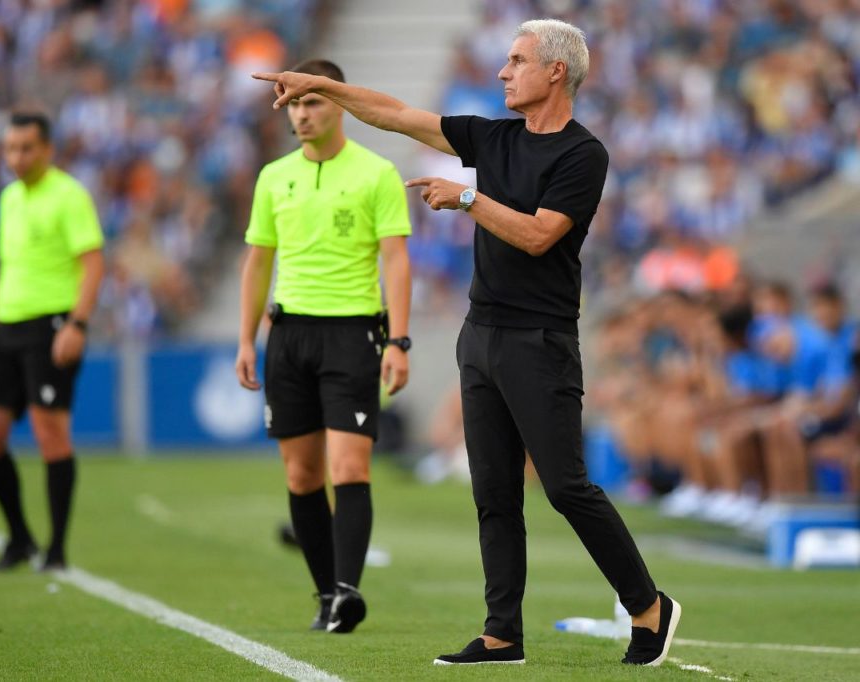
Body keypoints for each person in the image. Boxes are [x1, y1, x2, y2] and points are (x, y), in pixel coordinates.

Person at [254, 19, 681, 665]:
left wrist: (467, 197)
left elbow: (540, 235)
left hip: (540, 339)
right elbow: (396, 114)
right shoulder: (493, 135)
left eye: (516, 61)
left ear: (555, 71)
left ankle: (649, 606)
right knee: (493, 493)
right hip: (480, 333)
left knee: (565, 487)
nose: (504, 72)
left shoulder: (581, 153)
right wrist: (323, 85)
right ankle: (502, 632)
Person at [235, 59, 412, 634]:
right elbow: (258, 261)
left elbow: (397, 260)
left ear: (337, 102)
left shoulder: (377, 173)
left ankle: (347, 591)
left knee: (349, 467)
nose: (302, 113)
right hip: (288, 337)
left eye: (312, 101)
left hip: (353, 333)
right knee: (302, 477)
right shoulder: (273, 177)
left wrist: (400, 340)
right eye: (293, 103)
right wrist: (245, 339)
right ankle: (325, 594)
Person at [0, 111, 105, 573]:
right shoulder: (8, 199)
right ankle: (20, 538)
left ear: (47, 149)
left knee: (50, 435)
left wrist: (77, 325)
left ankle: (57, 548)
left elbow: (93, 263)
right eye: (10, 149)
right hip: (7, 324)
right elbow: (9, 273)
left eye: (25, 148)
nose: (16, 157)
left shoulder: (69, 195)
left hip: (51, 325)